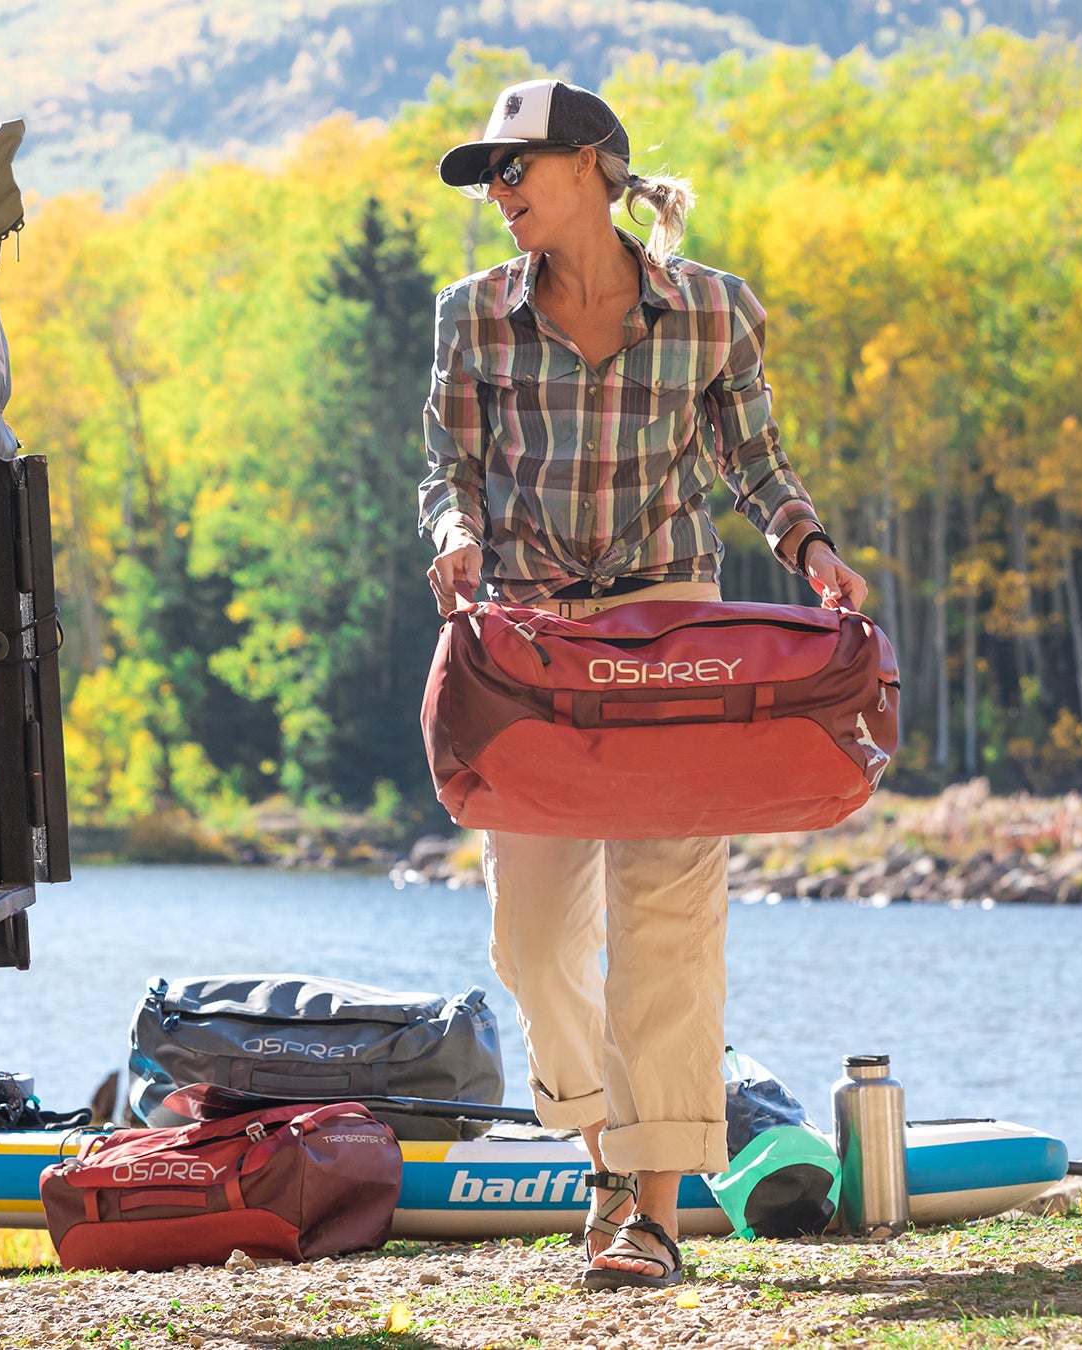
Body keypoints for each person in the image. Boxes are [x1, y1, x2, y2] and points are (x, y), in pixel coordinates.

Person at [418, 78, 868, 1289]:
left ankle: (651, 1210)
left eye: (515, 169)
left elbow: (755, 461)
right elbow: (446, 471)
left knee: (667, 925)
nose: (498, 194)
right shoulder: (472, 316)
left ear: (593, 168)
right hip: (527, 650)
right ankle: (609, 1150)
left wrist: (811, 551)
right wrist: (451, 537)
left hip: (674, 639)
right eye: (489, 179)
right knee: (531, 941)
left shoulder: (713, 310)